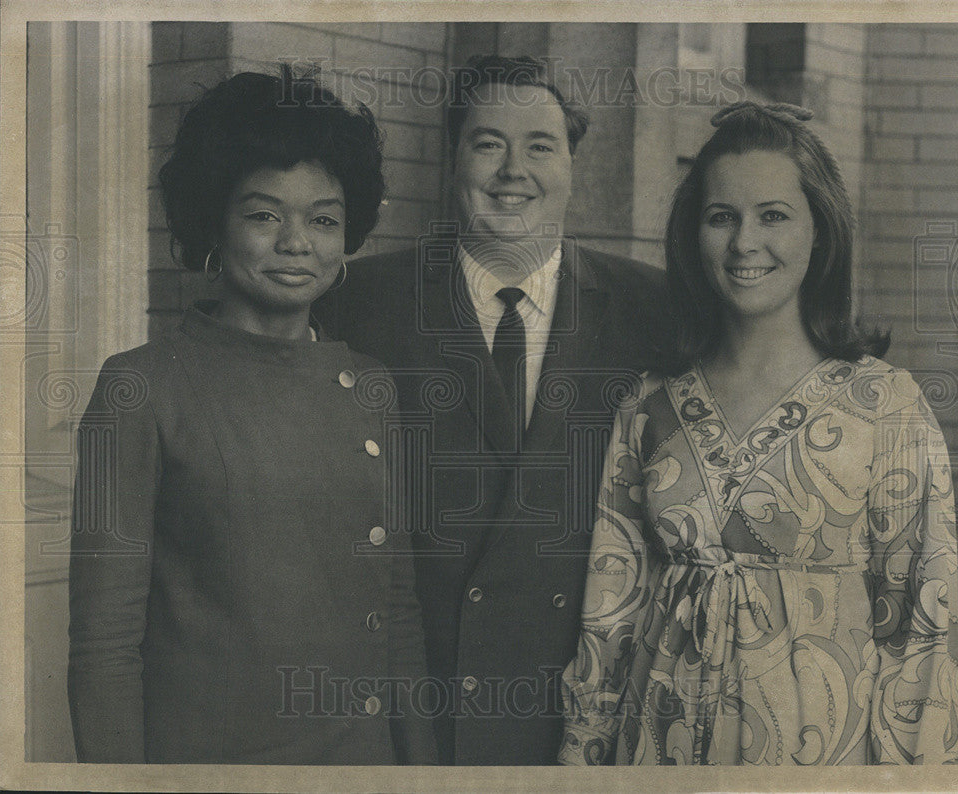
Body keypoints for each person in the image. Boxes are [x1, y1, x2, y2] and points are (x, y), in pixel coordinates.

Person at [559, 101, 958, 765]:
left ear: (819, 230)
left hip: (822, 759)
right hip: (658, 750)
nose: (745, 242)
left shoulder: (885, 406)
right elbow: (609, 618)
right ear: (694, 234)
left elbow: (919, 631)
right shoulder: (648, 402)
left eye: (773, 215)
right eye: (722, 217)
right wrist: (581, 757)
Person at [67, 70, 436, 765]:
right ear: (214, 221)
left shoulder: (374, 387)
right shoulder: (140, 387)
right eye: (265, 214)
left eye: (323, 219)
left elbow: (398, 614)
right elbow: (105, 648)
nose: (297, 242)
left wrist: (420, 773)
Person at [313, 55, 668, 765]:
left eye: (540, 145)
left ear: (573, 165)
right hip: (420, 718)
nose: (514, 170)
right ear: (453, 162)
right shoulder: (361, 301)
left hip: (582, 716)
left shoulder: (653, 310)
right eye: (488, 144)